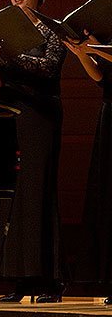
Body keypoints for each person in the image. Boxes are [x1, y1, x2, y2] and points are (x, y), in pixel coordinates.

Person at [0, 0, 67, 303]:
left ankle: (48, 279)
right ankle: (20, 278)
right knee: (12, 197)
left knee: (38, 193)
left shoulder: (51, 30)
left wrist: (10, 55)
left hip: (40, 114)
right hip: (11, 112)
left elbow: (48, 68)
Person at [66, 36, 112, 302]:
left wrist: (93, 48)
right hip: (110, 110)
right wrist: (81, 53)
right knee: (106, 197)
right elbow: (102, 78)